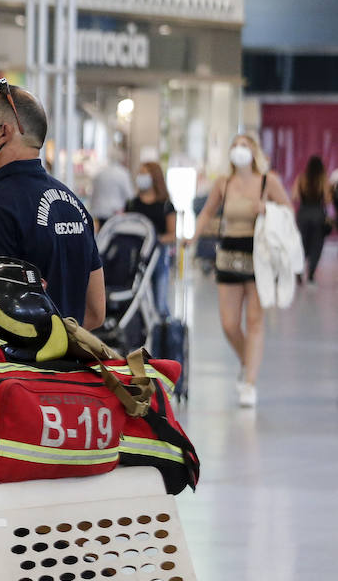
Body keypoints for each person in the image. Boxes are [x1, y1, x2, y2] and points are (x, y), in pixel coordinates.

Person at [0, 78, 105, 329]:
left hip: (12, 368)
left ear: (3, 132)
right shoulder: (73, 204)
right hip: (67, 365)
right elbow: (95, 312)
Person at [197, 133, 291, 408]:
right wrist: (193, 237)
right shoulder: (223, 183)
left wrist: (268, 209)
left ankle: (249, 383)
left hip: (259, 256)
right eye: (235, 146)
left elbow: (288, 212)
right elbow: (207, 212)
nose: (239, 151)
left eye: (245, 146)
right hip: (228, 256)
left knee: (255, 321)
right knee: (229, 323)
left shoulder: (267, 181)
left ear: (254, 152)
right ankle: (247, 361)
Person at [125, 160, 177, 314]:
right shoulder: (132, 204)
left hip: (157, 256)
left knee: (159, 302)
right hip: (135, 256)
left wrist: (155, 239)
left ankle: (163, 332)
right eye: (139, 173)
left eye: (144, 173)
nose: (140, 177)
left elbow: (172, 235)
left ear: (154, 177)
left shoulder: (166, 205)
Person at [291, 155, 331, 283]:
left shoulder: (301, 179)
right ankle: (311, 273)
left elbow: (295, 196)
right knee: (316, 244)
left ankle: (299, 270)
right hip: (318, 215)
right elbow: (327, 199)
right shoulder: (323, 180)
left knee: (301, 243)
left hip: (303, 214)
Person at [88, 152, 135, 231]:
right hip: (115, 214)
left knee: (102, 237)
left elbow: (93, 194)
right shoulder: (123, 173)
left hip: (99, 213)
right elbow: (130, 195)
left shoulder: (100, 173)